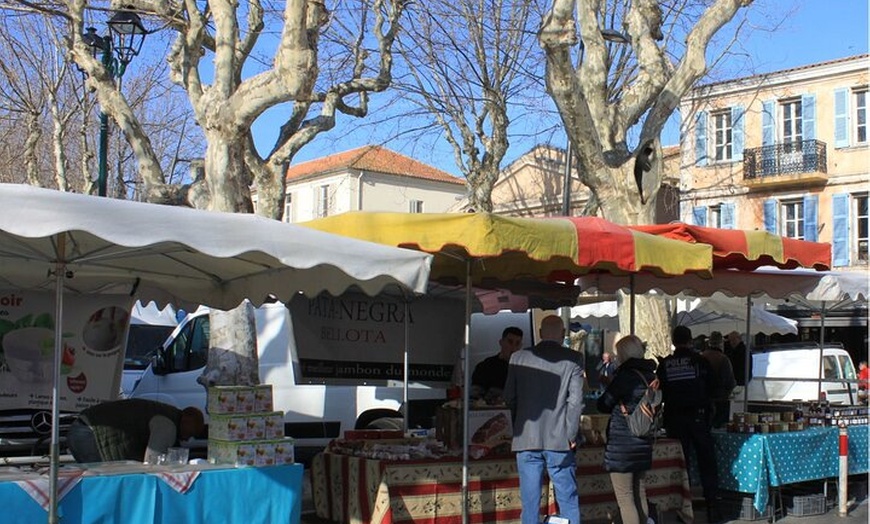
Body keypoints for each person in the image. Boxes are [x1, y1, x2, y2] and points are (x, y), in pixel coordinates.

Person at [503, 315, 584, 524]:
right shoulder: (573, 359)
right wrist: (571, 434)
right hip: (560, 439)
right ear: (563, 334)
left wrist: (520, 421)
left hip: (526, 438)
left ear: (539, 333)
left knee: (529, 503)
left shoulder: (518, 358)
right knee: (567, 498)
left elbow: (509, 397)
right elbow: (575, 402)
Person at [657, 325, 722, 524]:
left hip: (675, 419)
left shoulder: (665, 365)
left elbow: (660, 393)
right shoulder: (700, 361)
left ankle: (681, 510)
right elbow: (714, 388)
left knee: (678, 465)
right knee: (707, 464)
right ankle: (712, 508)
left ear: (674, 341)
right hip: (699, 418)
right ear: (690, 340)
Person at [597, 335, 658, 524]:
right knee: (639, 493)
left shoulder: (624, 376)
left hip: (622, 444)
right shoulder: (652, 376)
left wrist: (610, 387)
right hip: (644, 441)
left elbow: (604, 404)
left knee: (625, 498)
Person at [67, 398, 205, 463]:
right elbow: (151, 463)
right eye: (190, 434)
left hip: (82, 428)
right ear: (186, 421)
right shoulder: (168, 426)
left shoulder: (166, 413)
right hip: (89, 434)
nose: (187, 439)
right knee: (101, 483)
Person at [471, 326, 524, 401]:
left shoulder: (525, 368)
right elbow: (475, 396)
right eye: (510, 342)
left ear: (521, 346)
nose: (513, 347)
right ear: (501, 342)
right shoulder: (486, 366)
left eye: (517, 343)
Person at [701, 331, 737, 428]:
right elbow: (730, 382)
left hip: (702, 401)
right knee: (719, 429)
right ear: (721, 344)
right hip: (720, 400)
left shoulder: (701, 357)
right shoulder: (723, 359)